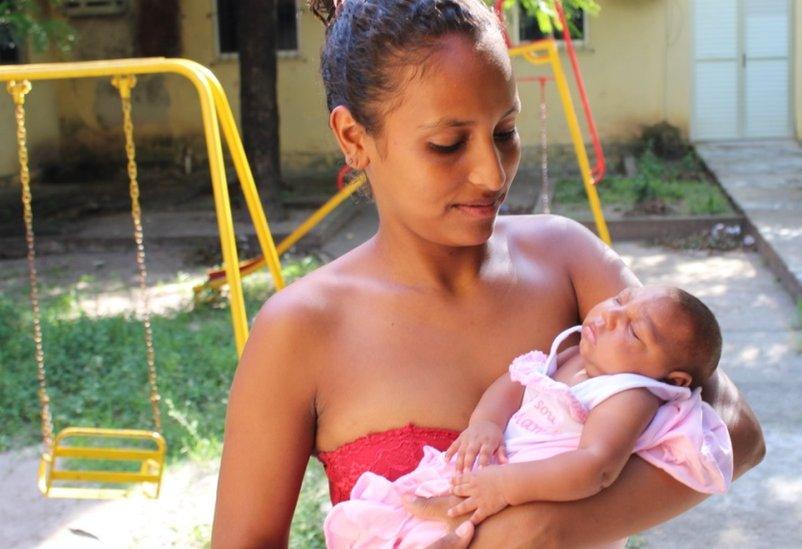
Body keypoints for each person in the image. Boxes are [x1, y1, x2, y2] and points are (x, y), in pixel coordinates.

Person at [210, 0, 765, 546]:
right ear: (355, 138)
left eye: (505, 131)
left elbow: (736, 431)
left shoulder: (566, 259)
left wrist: (537, 530)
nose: (491, 173)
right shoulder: (300, 329)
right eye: (447, 144)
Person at [323, 286, 733, 548]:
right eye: (620, 300)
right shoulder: (574, 354)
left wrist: (505, 486)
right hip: (498, 477)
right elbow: (515, 381)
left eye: (633, 331)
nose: (607, 317)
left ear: (672, 378)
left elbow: (595, 468)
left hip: (534, 492)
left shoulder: (630, 395)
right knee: (422, 523)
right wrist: (485, 422)